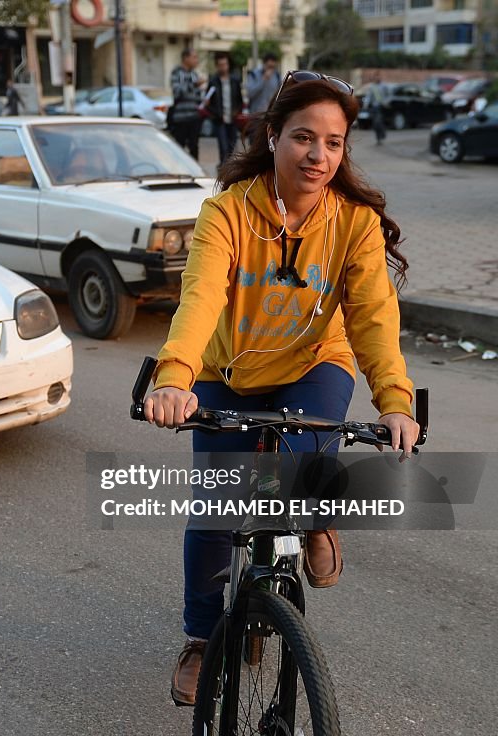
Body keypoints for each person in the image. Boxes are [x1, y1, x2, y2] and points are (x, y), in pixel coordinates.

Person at [142, 71, 419, 707]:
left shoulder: (355, 224)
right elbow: (201, 299)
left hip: (314, 362)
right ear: (273, 136)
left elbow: (374, 317)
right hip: (226, 372)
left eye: (334, 143)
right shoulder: (227, 213)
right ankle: (203, 637)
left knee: (304, 461)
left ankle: (316, 516)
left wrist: (396, 402)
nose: (318, 156)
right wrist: (173, 378)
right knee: (217, 506)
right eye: (303, 137)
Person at [205, 52, 244, 166]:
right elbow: (208, 102)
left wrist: (236, 112)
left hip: (232, 119)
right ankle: (223, 171)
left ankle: (230, 170)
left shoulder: (234, 80)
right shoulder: (213, 81)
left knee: (232, 147)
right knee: (223, 147)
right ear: (217, 66)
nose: (223, 67)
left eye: (225, 64)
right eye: (221, 65)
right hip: (219, 120)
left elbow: (239, 100)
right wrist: (215, 114)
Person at [169, 48, 205, 160]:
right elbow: (177, 92)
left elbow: (196, 96)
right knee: (179, 148)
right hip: (181, 119)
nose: (196, 60)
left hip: (194, 118)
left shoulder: (194, 74)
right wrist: (194, 85)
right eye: (194, 57)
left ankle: (195, 173)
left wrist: (204, 99)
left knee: (194, 147)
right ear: (185, 58)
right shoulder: (176, 73)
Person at [244, 52, 281, 140]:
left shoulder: (277, 76)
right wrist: (263, 80)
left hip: (271, 117)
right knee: (255, 144)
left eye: (273, 67)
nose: (271, 69)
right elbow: (250, 93)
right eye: (269, 66)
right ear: (264, 64)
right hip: (256, 117)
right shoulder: (254, 75)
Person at [365, 74, 388, 145]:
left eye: (379, 77)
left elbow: (387, 96)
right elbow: (368, 96)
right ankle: (379, 138)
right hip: (375, 107)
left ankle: (382, 135)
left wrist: (386, 103)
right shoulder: (372, 87)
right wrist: (366, 104)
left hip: (382, 107)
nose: (377, 78)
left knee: (379, 122)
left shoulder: (384, 86)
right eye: (376, 77)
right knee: (376, 124)